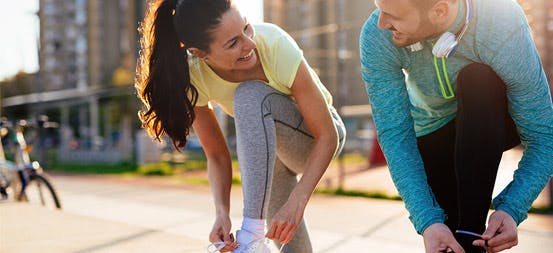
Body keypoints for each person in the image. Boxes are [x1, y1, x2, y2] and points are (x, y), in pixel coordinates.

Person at [135, 0, 346, 252]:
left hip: (317, 139)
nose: (250, 43)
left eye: (246, 28)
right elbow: (216, 155)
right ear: (200, 53)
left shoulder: (275, 44)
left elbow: (327, 136)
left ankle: (250, 237)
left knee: (249, 94)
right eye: (233, 43)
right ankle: (254, 238)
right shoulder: (195, 77)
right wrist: (221, 212)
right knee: (295, 249)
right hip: (272, 158)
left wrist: (297, 201)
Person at [359, 0, 553, 252]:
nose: (381, 22)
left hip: (492, 119)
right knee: (449, 240)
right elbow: (396, 136)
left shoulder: (501, 19)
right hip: (432, 133)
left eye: (392, 15)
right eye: (379, 8)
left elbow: (544, 135)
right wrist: (427, 220)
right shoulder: (377, 34)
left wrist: (511, 208)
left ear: (439, 11)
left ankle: (471, 229)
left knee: (478, 78)